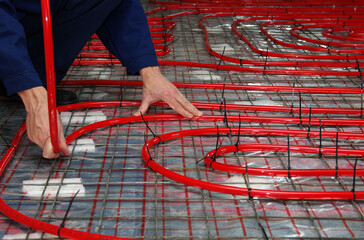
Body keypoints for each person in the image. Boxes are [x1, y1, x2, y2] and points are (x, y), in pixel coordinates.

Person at [0, 0, 202, 159]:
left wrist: (150, 71)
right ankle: (18, 81)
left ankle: (23, 80)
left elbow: (121, 5)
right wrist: (32, 95)